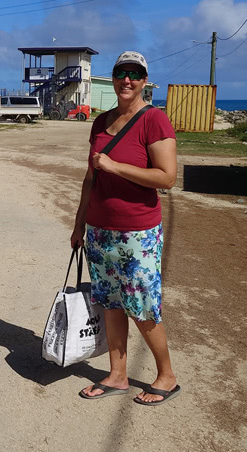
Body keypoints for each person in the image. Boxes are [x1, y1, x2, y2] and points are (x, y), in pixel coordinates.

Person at [70, 51, 180, 406]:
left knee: (143, 306)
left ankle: (166, 375)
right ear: (114, 77)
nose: (127, 80)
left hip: (138, 234)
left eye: (135, 74)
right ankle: (117, 375)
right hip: (101, 232)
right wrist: (79, 224)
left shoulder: (154, 120)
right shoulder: (100, 123)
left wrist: (116, 167)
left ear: (145, 80)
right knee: (111, 304)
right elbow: (90, 178)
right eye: (121, 73)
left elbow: (167, 177)